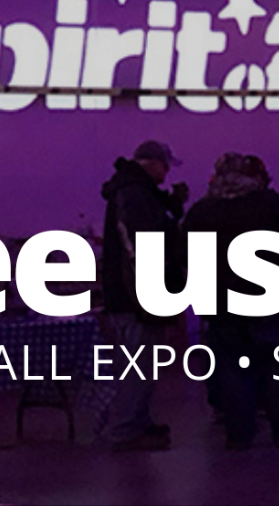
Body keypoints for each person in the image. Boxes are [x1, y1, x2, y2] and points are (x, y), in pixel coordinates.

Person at [185, 153, 279, 451]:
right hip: (269, 297)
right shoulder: (273, 206)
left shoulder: (201, 211)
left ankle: (238, 434)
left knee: (232, 369)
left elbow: (185, 255)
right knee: (277, 367)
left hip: (221, 304)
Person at [96, 140, 186, 452]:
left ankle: (136, 421)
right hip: (136, 296)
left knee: (141, 364)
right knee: (138, 365)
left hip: (130, 293)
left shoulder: (131, 191)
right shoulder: (135, 194)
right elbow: (139, 245)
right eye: (165, 165)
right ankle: (125, 428)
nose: (166, 173)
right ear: (153, 163)